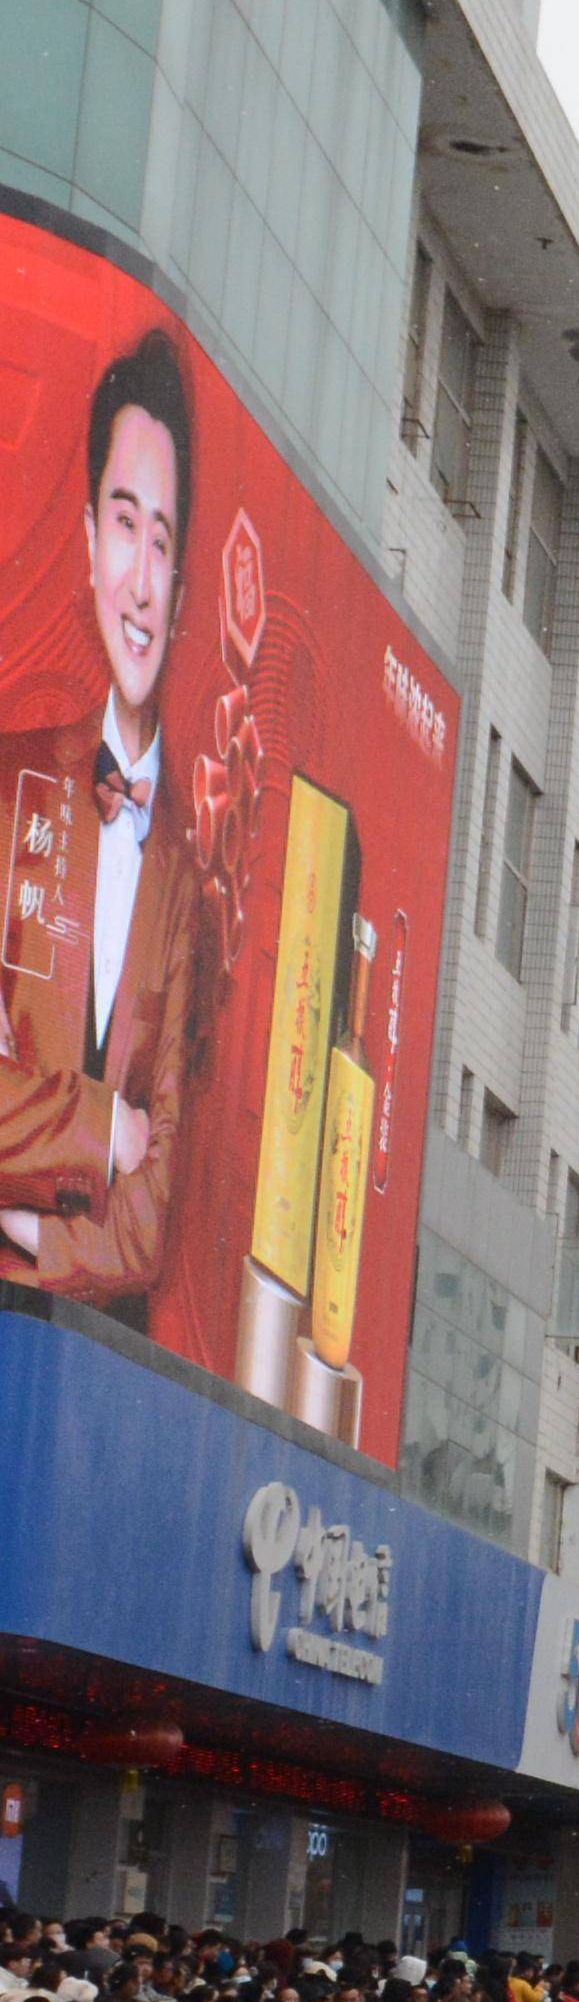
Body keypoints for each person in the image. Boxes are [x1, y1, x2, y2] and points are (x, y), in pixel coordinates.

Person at [0, 334, 219, 1318]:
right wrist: (103, 1130)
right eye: (125, 525)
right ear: (88, 542)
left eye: (163, 541)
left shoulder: (183, 879)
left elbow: (154, 1213)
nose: (139, 577)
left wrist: (33, 1227)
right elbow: (132, 1152)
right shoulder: (11, 781)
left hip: (95, 1358)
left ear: (179, 594)